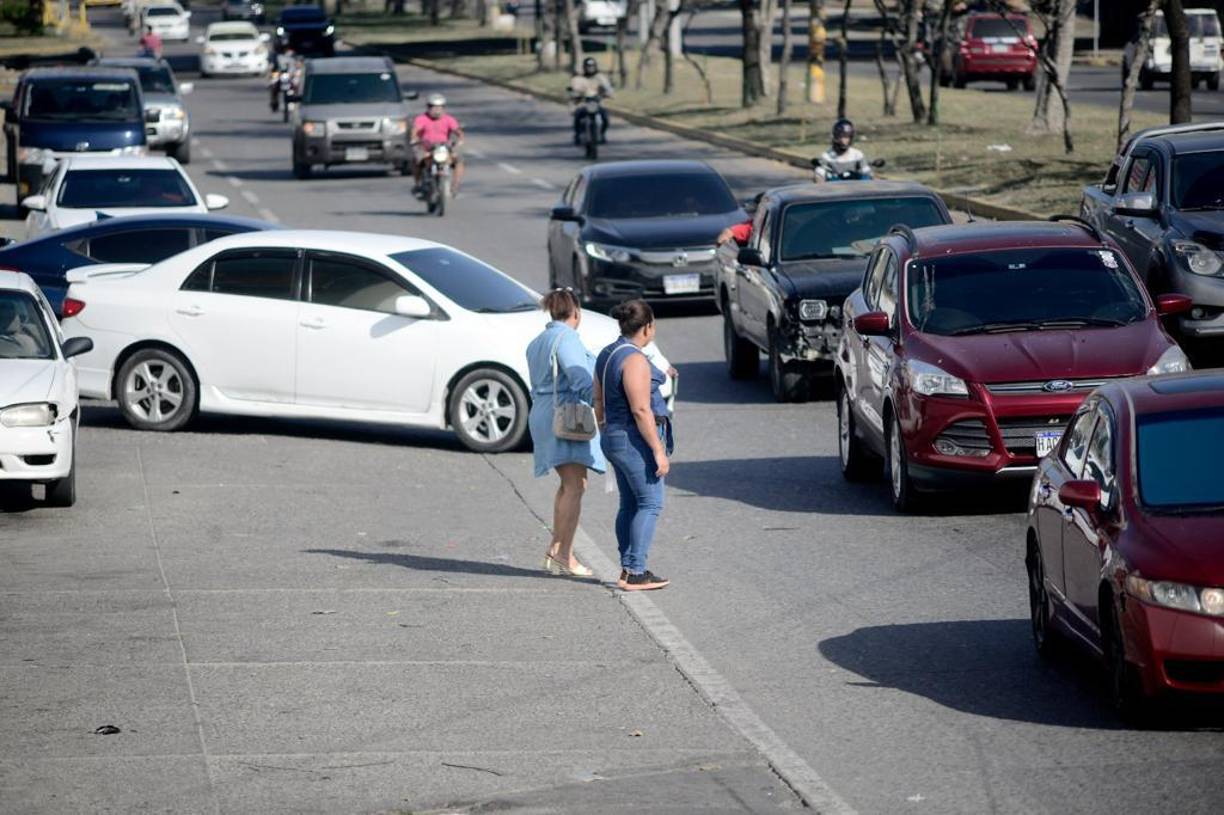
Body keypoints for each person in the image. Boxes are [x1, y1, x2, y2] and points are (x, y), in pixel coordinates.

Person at [594, 300, 673, 592]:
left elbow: (598, 401)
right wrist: (657, 451)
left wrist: (605, 428)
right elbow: (641, 410)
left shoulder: (606, 353)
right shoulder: (635, 360)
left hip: (611, 435)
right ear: (647, 326)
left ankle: (628, 568)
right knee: (651, 502)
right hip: (631, 438)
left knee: (629, 503)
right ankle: (636, 571)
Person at [525, 289, 603, 577]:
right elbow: (579, 377)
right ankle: (563, 554)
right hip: (566, 414)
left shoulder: (538, 341)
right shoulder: (567, 337)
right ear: (576, 312)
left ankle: (558, 547)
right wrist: (600, 403)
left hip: (544, 412)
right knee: (575, 486)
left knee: (568, 484)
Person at [411, 93, 464, 196]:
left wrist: (460, 139)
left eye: (440, 107)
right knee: (416, 160)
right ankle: (418, 184)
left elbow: (458, 131)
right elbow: (415, 130)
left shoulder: (449, 119)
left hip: (443, 148)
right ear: (428, 107)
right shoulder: (421, 119)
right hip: (426, 148)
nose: (436, 110)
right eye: (433, 107)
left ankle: (454, 186)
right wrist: (414, 139)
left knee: (459, 161)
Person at [568, 57, 612, 145]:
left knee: (605, 117)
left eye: (592, 66)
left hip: (596, 103)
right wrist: (574, 94)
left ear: (595, 67)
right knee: (577, 115)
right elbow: (574, 89)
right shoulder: (579, 78)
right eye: (588, 66)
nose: (590, 68)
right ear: (584, 67)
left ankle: (602, 134)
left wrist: (608, 93)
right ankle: (578, 134)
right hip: (583, 103)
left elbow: (607, 88)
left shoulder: (600, 77)